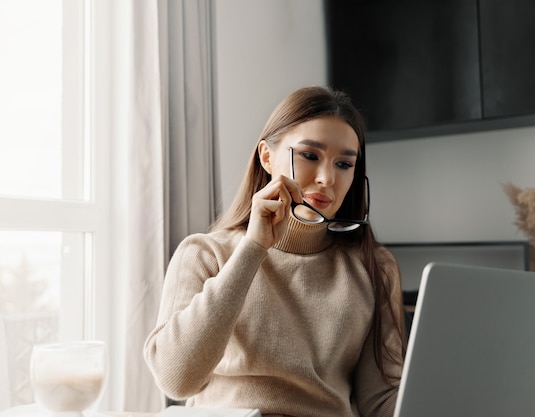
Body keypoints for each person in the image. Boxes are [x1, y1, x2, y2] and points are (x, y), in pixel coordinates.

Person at [143, 86, 406, 417]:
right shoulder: (204, 254)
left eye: (343, 164)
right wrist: (253, 248)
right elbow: (175, 379)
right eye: (310, 156)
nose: (327, 178)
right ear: (266, 156)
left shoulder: (373, 267)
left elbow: (381, 400)